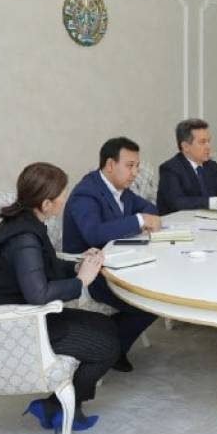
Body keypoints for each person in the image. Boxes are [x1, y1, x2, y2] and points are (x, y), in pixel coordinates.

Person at [0, 162, 118, 432]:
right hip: (14, 324)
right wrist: (82, 281)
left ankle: (55, 406)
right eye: (62, 195)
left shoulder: (23, 222)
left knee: (109, 328)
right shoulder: (24, 237)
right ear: (46, 203)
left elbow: (42, 266)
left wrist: (78, 265)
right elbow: (38, 294)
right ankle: (61, 408)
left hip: (20, 311)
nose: (66, 199)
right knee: (107, 345)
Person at [62, 137, 161, 372]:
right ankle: (108, 347)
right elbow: (94, 234)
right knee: (150, 301)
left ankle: (111, 345)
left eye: (137, 166)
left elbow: (149, 208)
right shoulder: (86, 193)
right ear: (109, 164)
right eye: (130, 165)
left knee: (159, 292)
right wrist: (139, 220)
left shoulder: (121, 190)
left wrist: (145, 216)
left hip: (119, 262)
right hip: (89, 272)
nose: (135, 172)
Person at [157, 118, 217, 214]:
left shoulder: (211, 166)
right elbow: (177, 202)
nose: (208, 147)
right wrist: (215, 202)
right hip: (179, 221)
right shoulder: (170, 169)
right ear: (185, 146)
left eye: (209, 141)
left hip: (209, 219)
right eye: (202, 142)